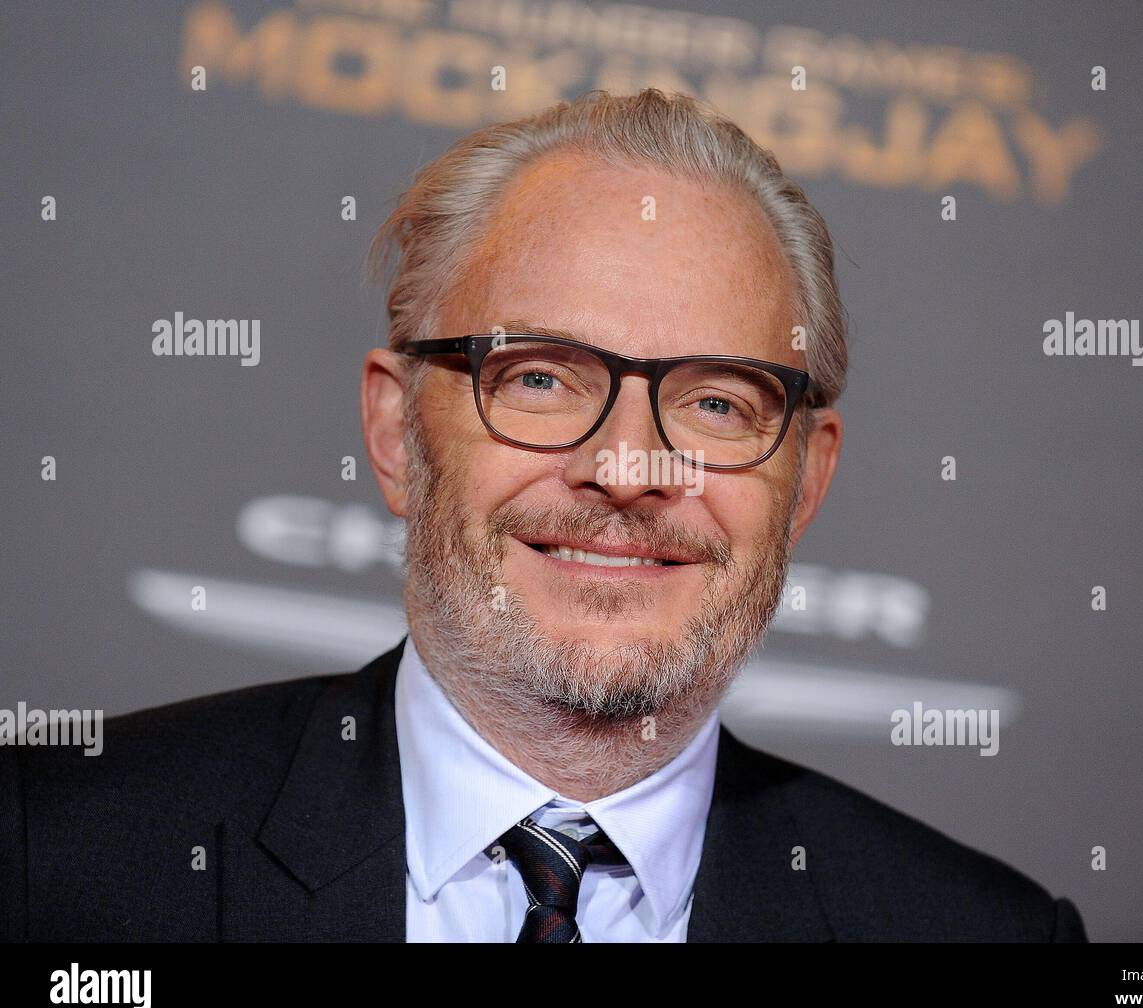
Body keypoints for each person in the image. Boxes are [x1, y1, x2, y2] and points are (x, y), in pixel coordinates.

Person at [0, 88, 1086, 943]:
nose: (624, 468)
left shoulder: (979, 932)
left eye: (714, 401)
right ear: (394, 434)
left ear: (803, 483)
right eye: (538, 379)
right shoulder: (51, 857)